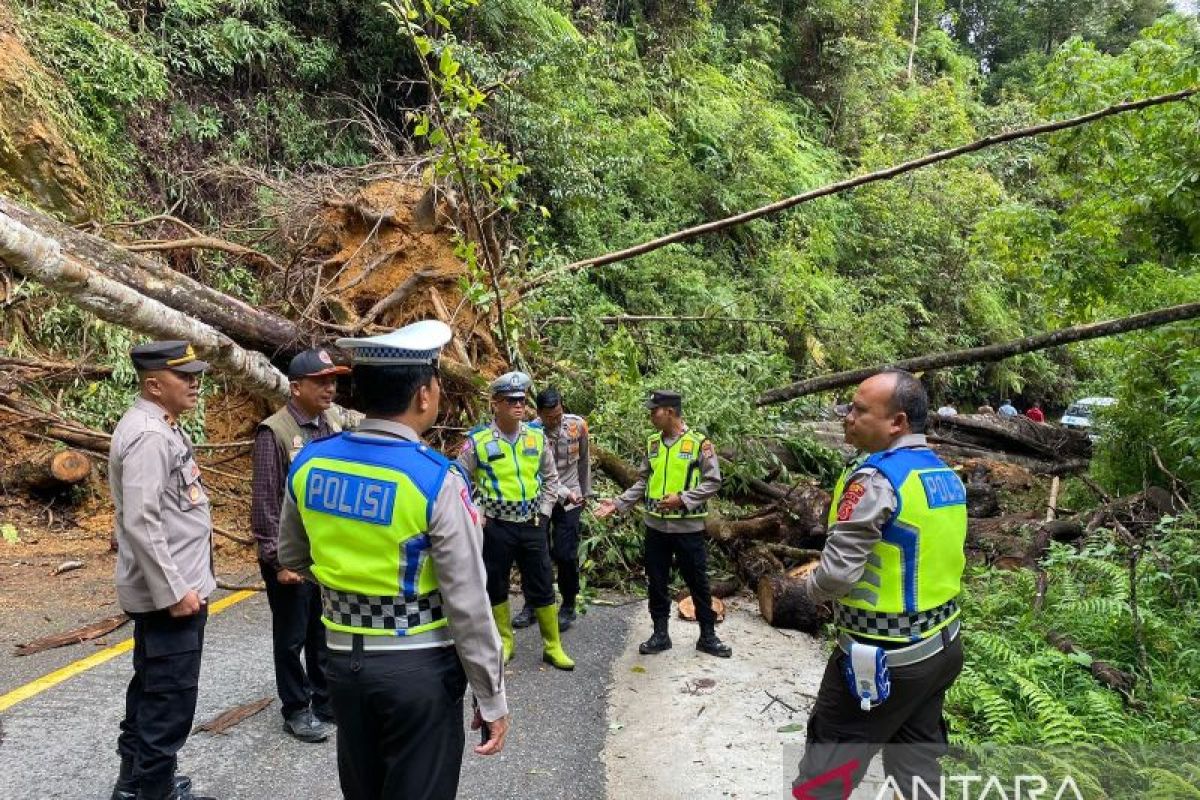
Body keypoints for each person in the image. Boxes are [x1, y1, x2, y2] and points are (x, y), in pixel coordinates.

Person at [278, 320, 509, 800]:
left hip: (342, 663)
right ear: (423, 395)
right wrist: (490, 696)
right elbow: (466, 601)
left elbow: (293, 555)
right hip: (418, 669)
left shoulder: (311, 463)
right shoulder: (435, 480)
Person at [791, 370, 966, 799]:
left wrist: (807, 588)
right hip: (942, 646)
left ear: (897, 423)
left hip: (883, 659)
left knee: (823, 778)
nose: (847, 416)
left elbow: (836, 575)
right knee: (916, 769)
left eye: (859, 409)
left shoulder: (875, 479)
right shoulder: (943, 474)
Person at [109, 341, 216, 800]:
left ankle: (134, 785)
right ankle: (152, 790)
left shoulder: (158, 426)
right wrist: (175, 591)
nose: (195, 383)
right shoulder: (150, 435)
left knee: (151, 690)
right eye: (184, 377)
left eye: (196, 375)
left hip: (172, 591)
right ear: (154, 385)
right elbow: (142, 519)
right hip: (171, 598)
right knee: (168, 702)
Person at [250, 346, 356, 743]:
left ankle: (325, 700)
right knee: (291, 636)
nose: (330, 388)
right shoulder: (274, 432)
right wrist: (278, 561)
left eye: (333, 380)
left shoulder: (331, 425)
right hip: (290, 557)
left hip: (323, 553)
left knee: (322, 629)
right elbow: (265, 502)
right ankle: (295, 708)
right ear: (296, 388)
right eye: (321, 381)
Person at [595, 390, 731, 659]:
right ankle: (660, 633)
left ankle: (708, 635)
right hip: (655, 527)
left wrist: (683, 499)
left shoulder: (698, 444)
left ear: (669, 412)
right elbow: (643, 481)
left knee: (698, 583)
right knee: (656, 581)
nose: (650, 416)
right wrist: (619, 503)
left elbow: (713, 481)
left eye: (654, 411)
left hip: (688, 529)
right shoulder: (653, 444)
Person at [457, 372, 574, 670]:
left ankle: (553, 645)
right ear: (495, 403)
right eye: (511, 400)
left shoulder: (536, 437)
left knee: (543, 582)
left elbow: (551, 478)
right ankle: (504, 642)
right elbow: (456, 481)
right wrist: (475, 513)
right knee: (495, 584)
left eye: (522, 399)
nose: (519, 405)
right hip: (496, 526)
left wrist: (546, 512)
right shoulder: (478, 442)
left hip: (532, 522)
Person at [510, 387, 592, 632]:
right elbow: (532, 471)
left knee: (566, 553)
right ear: (539, 413)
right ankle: (532, 603)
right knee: (534, 552)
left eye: (558, 415)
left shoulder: (577, 426)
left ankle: (567, 604)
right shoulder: (529, 432)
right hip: (540, 496)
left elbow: (584, 460)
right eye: (550, 417)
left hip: (571, 496)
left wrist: (585, 494)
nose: (555, 421)